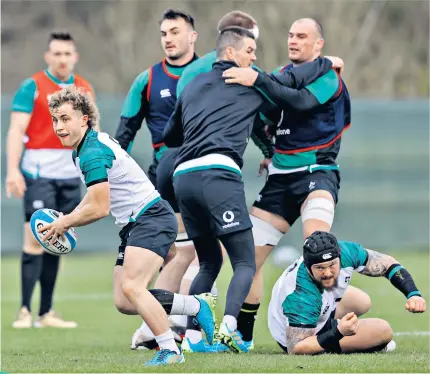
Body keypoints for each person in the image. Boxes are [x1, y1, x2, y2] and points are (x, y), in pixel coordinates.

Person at [164, 26, 336, 353]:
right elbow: (292, 90)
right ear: (231, 54)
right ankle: (230, 329)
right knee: (245, 261)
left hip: (183, 176)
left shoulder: (192, 84)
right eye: (250, 51)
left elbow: (171, 136)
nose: (254, 58)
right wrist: (326, 63)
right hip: (218, 173)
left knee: (209, 261)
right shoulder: (249, 82)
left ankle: (194, 339)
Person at [41, 87, 217, 367]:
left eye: (65, 119)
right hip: (138, 223)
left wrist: (66, 221)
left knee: (133, 287)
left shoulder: (92, 153)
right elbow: (94, 196)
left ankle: (171, 350)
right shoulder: (83, 150)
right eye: (55, 120)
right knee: (125, 301)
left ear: (84, 119)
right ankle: (196, 306)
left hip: (151, 217)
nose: (59, 126)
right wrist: (69, 217)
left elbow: (100, 207)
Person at [222, 18, 351, 347]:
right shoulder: (277, 76)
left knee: (319, 249)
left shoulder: (327, 74)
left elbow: (300, 101)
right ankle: (244, 337)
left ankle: (324, 328)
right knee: (247, 259)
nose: (293, 40)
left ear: (318, 44)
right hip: (280, 178)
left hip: (316, 172)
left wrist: (257, 79)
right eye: (291, 34)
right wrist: (269, 151)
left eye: (302, 36)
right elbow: (258, 117)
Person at [114, 8, 202, 349]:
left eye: (175, 31)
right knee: (180, 253)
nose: (168, 38)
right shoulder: (147, 79)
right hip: (164, 179)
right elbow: (124, 134)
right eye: (164, 33)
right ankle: (170, 325)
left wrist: (267, 149)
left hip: (205, 170)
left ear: (192, 36)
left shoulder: (210, 73)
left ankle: (174, 328)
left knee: (197, 251)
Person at [6, 31, 95, 329]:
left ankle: (46, 313)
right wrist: (13, 170)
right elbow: (17, 130)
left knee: (58, 239)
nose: (62, 59)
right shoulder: (32, 86)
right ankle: (24, 311)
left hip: (70, 175)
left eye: (67, 53)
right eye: (56, 53)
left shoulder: (83, 89)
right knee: (34, 239)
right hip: (38, 173)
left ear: (75, 56)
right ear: (47, 56)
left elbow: (91, 135)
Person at [268, 231, 426, 354]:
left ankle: (334, 328)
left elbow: (388, 264)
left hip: (317, 308)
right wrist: (338, 332)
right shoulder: (301, 296)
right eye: (320, 268)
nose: (328, 272)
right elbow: (296, 348)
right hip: (297, 335)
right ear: (308, 267)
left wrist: (413, 294)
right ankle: (342, 342)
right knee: (383, 330)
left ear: (339, 256)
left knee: (361, 301)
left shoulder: (346, 251)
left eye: (332, 265)